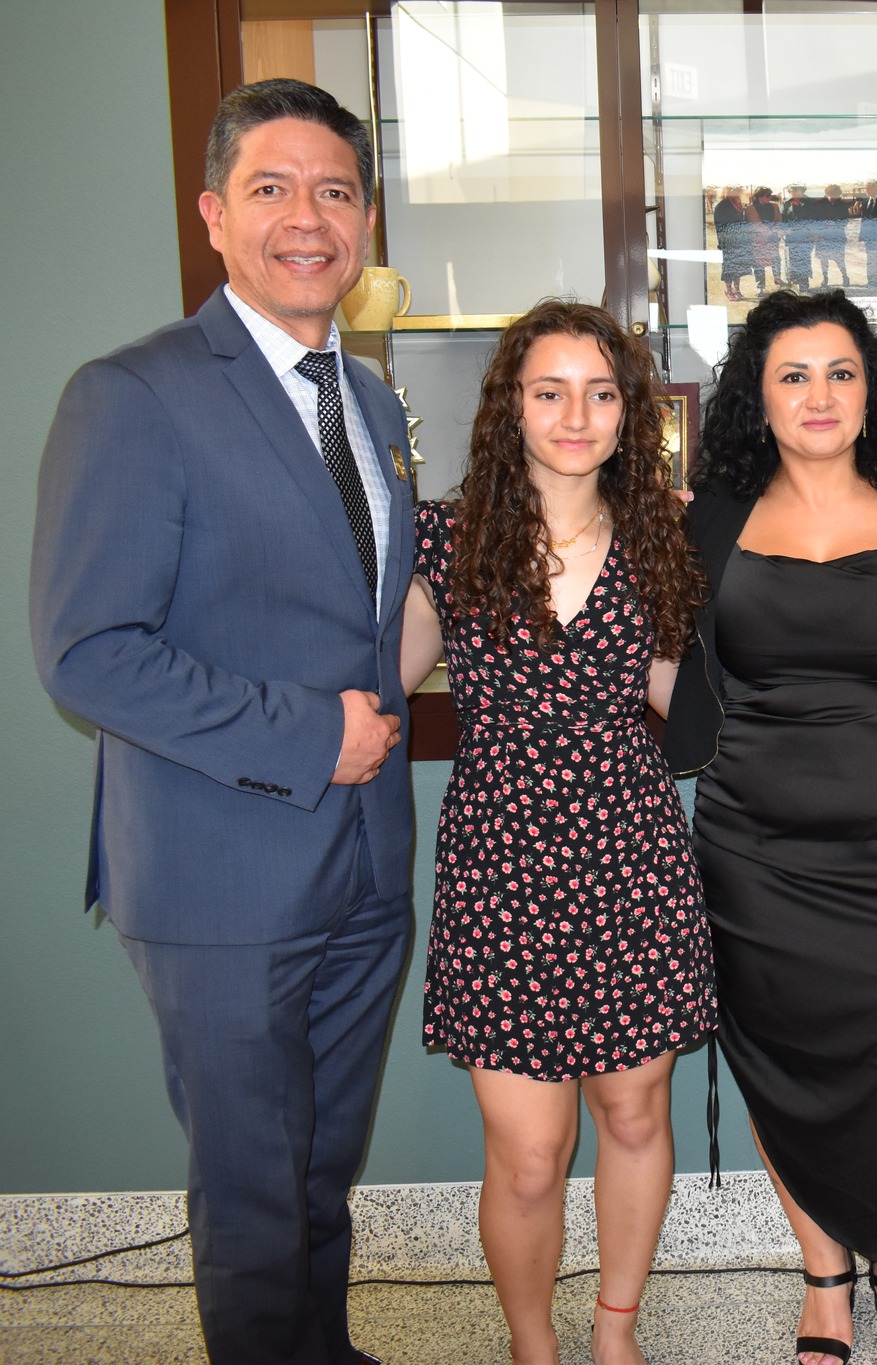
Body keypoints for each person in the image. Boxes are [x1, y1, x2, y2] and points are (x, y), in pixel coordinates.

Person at [29, 78, 412, 1363]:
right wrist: (312, 734)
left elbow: (359, 613)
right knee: (251, 1199)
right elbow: (90, 655)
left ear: (363, 221)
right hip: (218, 877)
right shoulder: (131, 395)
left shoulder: (360, 398)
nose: (308, 219)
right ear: (212, 213)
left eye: (336, 192)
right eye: (271, 188)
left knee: (315, 1174)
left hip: (362, 868)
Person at [665, 288, 877, 1365]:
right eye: (794, 376)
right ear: (755, 400)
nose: (820, 396)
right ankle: (824, 1275)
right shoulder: (708, 515)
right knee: (779, 1063)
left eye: (842, 372)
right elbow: (659, 661)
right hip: (749, 849)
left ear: (872, 390)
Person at [397, 300, 716, 1364]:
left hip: (630, 860)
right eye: (549, 392)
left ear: (630, 413)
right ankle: (534, 1350)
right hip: (504, 869)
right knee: (529, 1154)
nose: (575, 414)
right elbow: (375, 687)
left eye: (600, 391)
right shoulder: (446, 540)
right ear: (511, 409)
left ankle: (614, 1331)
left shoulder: (663, 539)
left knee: (632, 1115)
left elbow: (690, 701)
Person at [713, 185, 751, 302]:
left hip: (740, 241)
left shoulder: (737, 203)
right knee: (729, 268)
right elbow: (720, 226)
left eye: (736, 190)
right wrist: (722, 242)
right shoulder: (722, 206)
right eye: (732, 190)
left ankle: (737, 290)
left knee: (739, 267)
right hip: (728, 242)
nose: (735, 192)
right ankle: (728, 290)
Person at [815, 184, 853, 287]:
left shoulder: (842, 204)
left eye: (836, 196)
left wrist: (835, 224)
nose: (834, 198)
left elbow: (845, 220)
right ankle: (825, 279)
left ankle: (845, 277)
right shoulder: (819, 203)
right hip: (822, 235)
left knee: (840, 259)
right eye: (832, 195)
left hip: (837, 236)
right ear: (827, 193)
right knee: (823, 260)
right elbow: (815, 219)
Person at [783, 185, 817, 290]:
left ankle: (804, 282)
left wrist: (814, 233)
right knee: (793, 259)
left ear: (801, 191)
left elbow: (815, 218)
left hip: (806, 236)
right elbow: (783, 218)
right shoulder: (786, 202)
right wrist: (784, 229)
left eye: (795, 191)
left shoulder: (811, 202)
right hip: (791, 236)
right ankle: (795, 280)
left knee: (804, 258)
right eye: (791, 191)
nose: (793, 193)